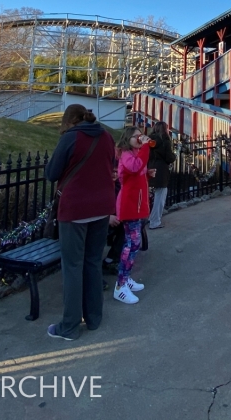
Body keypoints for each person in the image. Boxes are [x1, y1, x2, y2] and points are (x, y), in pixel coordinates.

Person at [44, 104, 116, 341]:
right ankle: (94, 319)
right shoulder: (106, 136)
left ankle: (70, 326)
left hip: (76, 209)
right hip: (102, 207)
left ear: (69, 120)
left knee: (72, 267)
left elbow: (52, 173)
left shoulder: (71, 138)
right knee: (93, 263)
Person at [113, 126, 151, 304]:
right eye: (136, 136)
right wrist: (145, 148)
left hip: (135, 203)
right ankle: (120, 284)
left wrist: (148, 173)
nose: (139, 138)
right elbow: (135, 168)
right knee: (132, 243)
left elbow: (137, 171)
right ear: (128, 138)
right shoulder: (127, 155)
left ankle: (125, 277)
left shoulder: (134, 153)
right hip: (129, 205)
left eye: (140, 136)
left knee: (132, 242)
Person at [147, 121, 174, 229]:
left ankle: (149, 218)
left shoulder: (149, 140)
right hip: (161, 170)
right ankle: (155, 221)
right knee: (160, 195)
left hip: (150, 168)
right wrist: (174, 156)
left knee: (149, 195)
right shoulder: (165, 141)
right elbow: (169, 157)